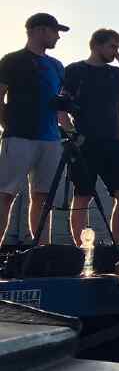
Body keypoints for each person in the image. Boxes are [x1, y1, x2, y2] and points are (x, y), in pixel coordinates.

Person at [59, 28, 119, 250]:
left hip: (112, 142)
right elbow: (61, 107)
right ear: (96, 45)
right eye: (112, 46)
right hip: (84, 143)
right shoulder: (75, 70)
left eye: (117, 47)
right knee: (83, 195)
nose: (115, 51)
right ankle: (82, 249)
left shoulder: (116, 73)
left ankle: (118, 248)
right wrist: (71, 133)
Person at [0, 13, 72, 246]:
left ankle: (41, 252)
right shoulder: (12, 60)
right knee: (5, 194)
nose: (58, 37)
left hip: (51, 140)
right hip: (18, 136)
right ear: (40, 30)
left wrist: (70, 131)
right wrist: (8, 125)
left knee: (43, 196)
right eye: (55, 31)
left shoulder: (57, 66)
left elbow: (61, 104)